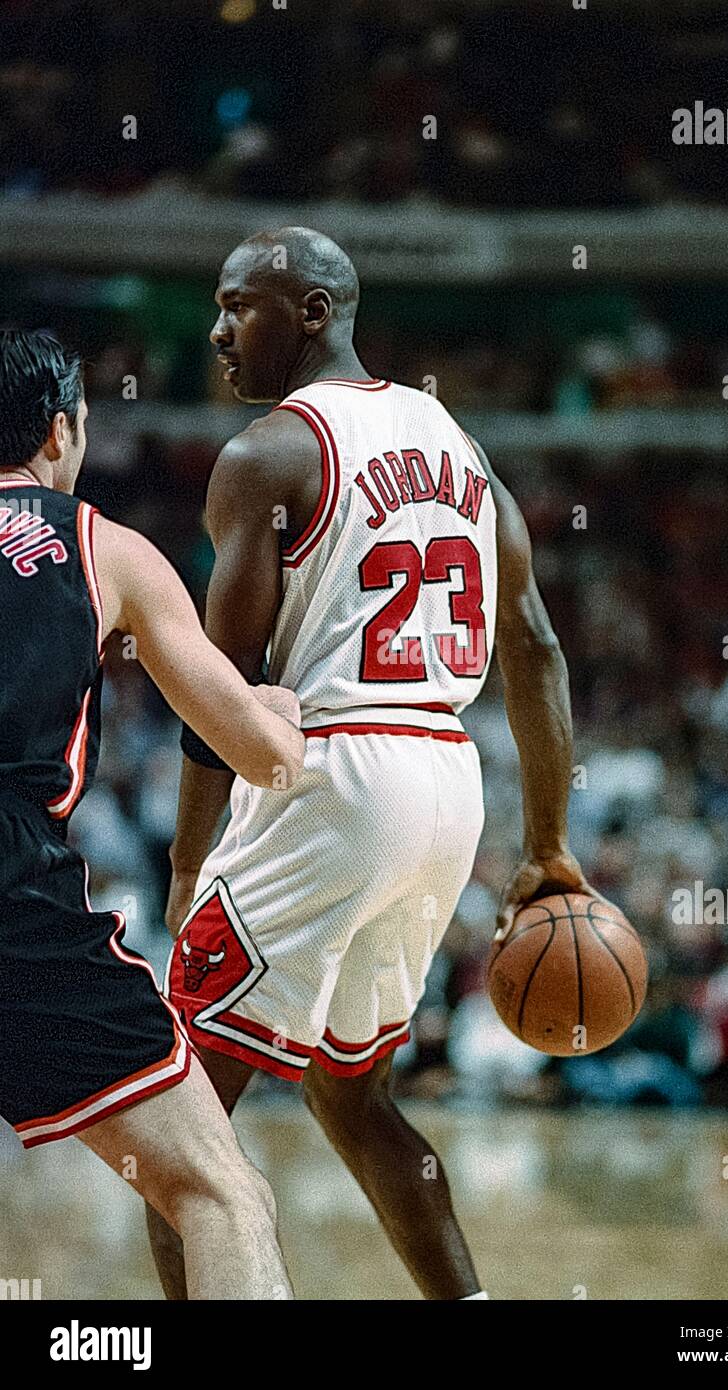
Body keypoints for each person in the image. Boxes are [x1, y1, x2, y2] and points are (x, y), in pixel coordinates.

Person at [148, 227, 597, 1301]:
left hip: (332, 772)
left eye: (235, 304)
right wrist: (546, 848)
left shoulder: (268, 454)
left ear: (310, 311)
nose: (216, 331)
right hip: (447, 779)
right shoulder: (459, 445)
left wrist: (183, 871)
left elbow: (222, 688)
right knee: (353, 1099)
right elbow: (534, 645)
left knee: (175, 1136)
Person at [0, 328, 306, 1299]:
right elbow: (261, 757)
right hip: (15, 892)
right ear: (61, 429)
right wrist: (281, 714)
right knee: (220, 1197)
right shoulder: (105, 548)